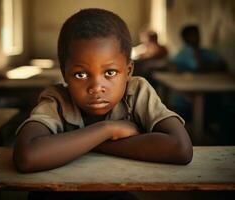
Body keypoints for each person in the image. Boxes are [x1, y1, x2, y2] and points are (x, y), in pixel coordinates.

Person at [13, 8, 192, 199]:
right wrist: (107, 129)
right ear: (65, 73)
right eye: (81, 75)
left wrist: (94, 144)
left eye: (110, 73)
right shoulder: (57, 99)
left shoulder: (136, 92)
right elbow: (27, 157)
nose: (97, 87)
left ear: (129, 70)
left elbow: (180, 148)